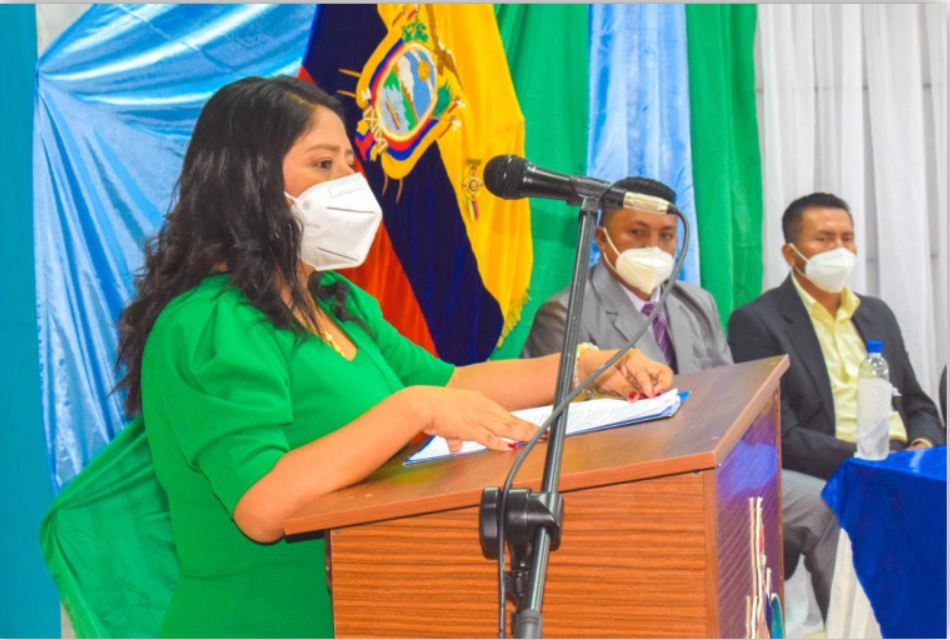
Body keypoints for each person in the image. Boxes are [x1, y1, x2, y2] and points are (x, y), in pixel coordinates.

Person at [114, 75, 673, 638]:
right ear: (249, 179)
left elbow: (451, 385)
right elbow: (263, 505)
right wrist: (411, 410)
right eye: (323, 164)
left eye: (350, 164)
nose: (349, 183)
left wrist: (585, 368)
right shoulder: (210, 322)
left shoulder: (334, 300)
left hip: (363, 612)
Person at [728, 192, 945, 622]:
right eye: (823, 239)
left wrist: (920, 447)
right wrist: (870, 461)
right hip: (836, 464)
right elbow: (781, 433)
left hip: (904, 459)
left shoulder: (876, 313)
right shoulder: (758, 322)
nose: (839, 250)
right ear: (790, 253)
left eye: (847, 238)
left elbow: (917, 402)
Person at [522, 176, 732, 375]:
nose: (653, 247)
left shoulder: (699, 303)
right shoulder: (566, 315)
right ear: (601, 238)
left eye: (666, 235)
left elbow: (727, 385)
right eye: (637, 233)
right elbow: (554, 397)